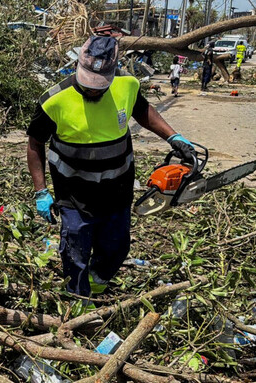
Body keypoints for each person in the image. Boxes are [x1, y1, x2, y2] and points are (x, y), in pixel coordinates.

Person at [26, 36, 197, 302]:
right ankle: (79, 304)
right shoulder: (53, 101)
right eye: (87, 84)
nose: (92, 90)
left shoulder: (127, 86)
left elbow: (143, 112)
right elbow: (35, 144)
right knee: (75, 253)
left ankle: (97, 285)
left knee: (117, 248)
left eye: (99, 86)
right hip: (73, 195)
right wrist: (40, 191)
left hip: (117, 190)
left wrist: (173, 137)